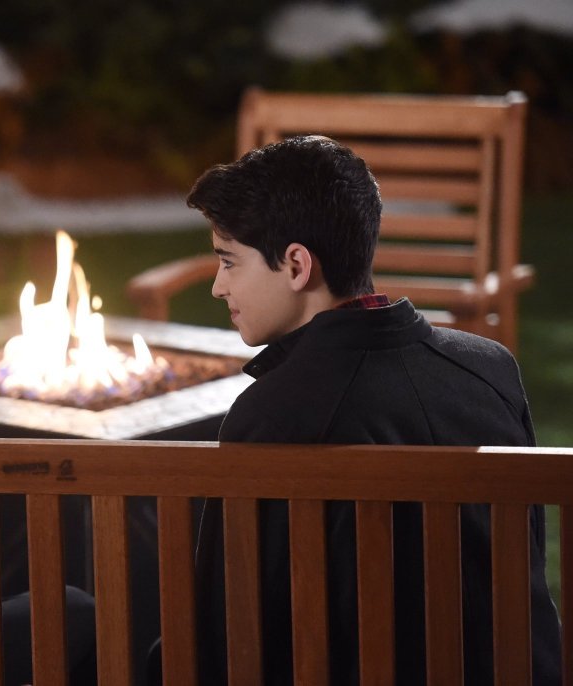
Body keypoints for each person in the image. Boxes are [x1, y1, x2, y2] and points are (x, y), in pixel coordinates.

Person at [185, 135, 561, 684]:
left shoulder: (272, 419)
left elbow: (230, 641)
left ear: (297, 265)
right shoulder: (492, 370)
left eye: (228, 262)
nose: (219, 286)